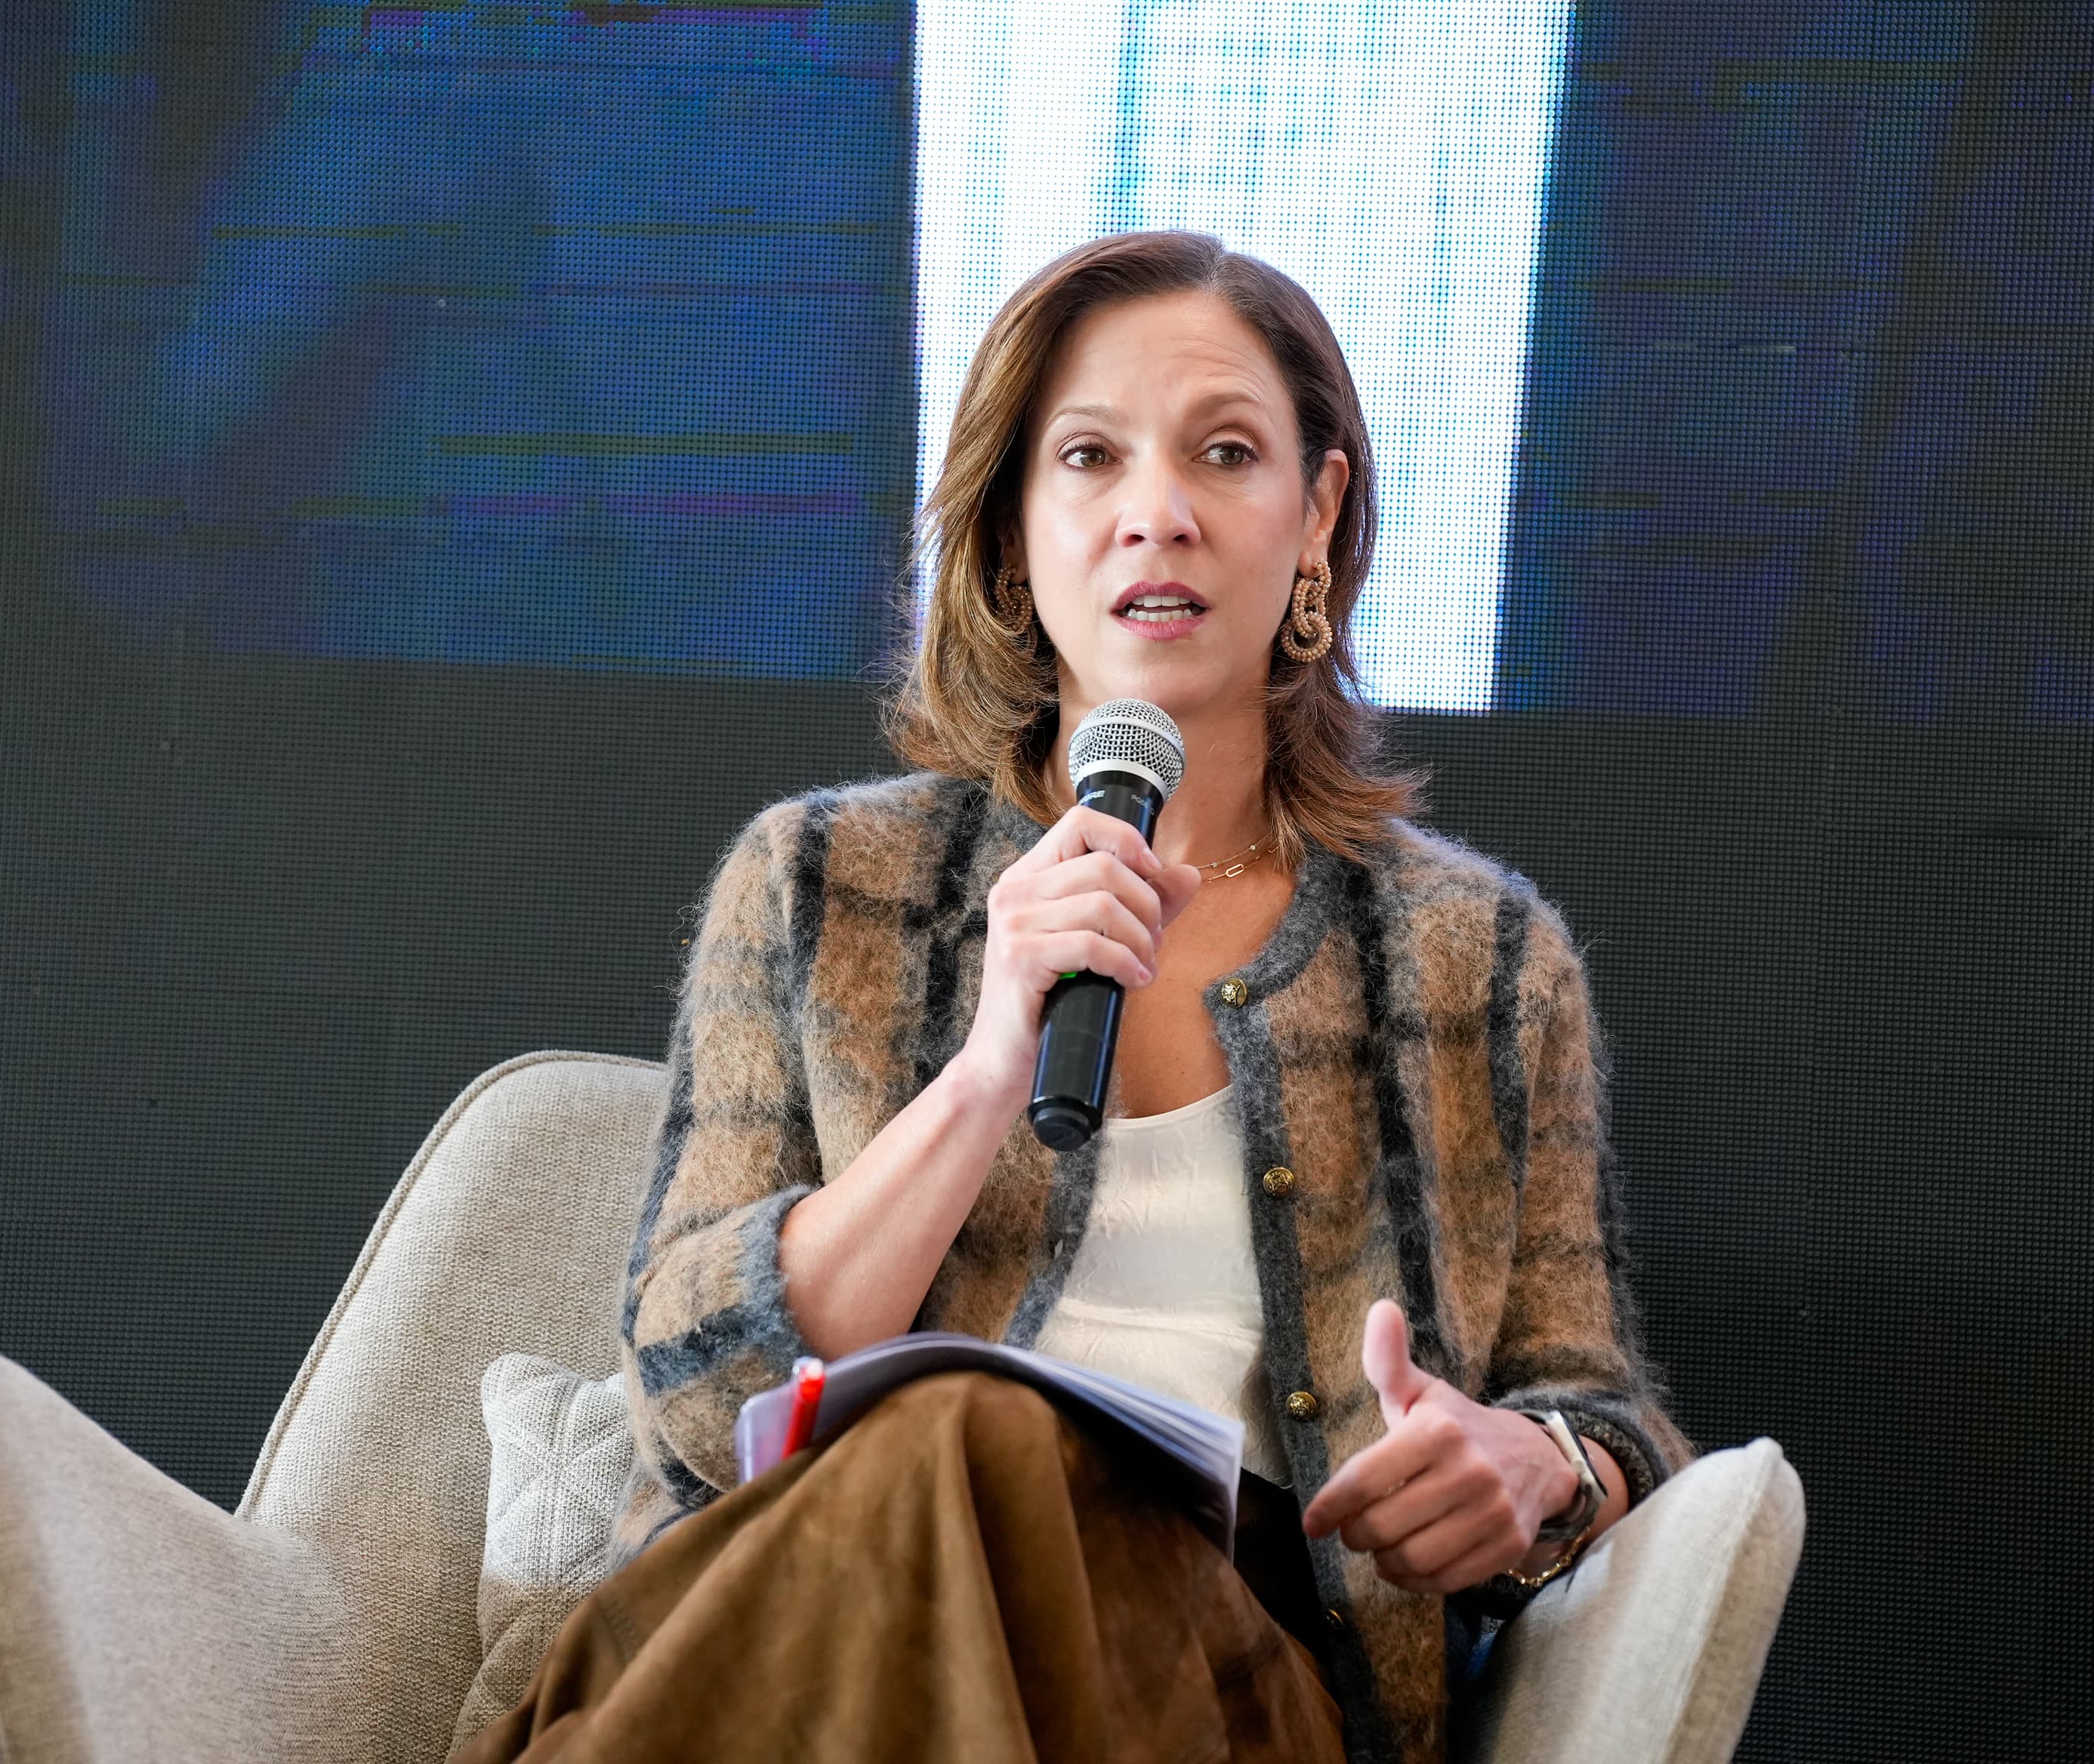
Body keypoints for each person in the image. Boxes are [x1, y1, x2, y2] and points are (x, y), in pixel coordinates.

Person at [459, 230, 1690, 1764]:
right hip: (788, 1633)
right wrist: (986, 1071)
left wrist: (1536, 1472)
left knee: (979, 1440)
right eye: (1089, 459)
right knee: (945, 1454)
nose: (1154, 515)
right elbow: (702, 1403)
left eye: (1225, 454)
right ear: (1011, 532)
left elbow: (1603, 1409)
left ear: (1317, 514)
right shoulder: (818, 880)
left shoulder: (1480, 958)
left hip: (1215, 1684)